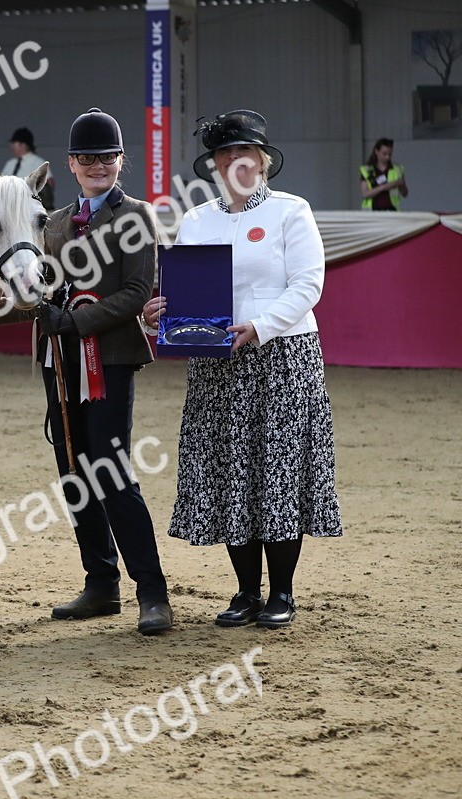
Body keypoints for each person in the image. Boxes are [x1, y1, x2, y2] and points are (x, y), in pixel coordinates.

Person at [144, 109, 343, 629]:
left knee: (277, 471)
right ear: (213, 164)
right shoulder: (195, 220)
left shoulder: (290, 211)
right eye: (225, 153)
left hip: (282, 359)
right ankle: (244, 592)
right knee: (229, 471)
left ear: (263, 162)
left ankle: (281, 593)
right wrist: (158, 315)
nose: (236, 160)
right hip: (217, 364)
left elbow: (309, 286)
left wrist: (260, 325)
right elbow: (183, 297)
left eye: (245, 152)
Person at [33, 108, 173, 635]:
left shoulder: (136, 216)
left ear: (120, 162)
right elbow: (42, 287)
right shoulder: (51, 224)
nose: (97, 166)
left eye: (106, 157)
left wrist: (73, 320)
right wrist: (40, 309)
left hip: (109, 359)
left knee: (110, 473)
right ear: (72, 165)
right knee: (73, 475)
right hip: (60, 366)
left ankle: (152, 592)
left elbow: (138, 292)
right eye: (87, 158)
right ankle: (100, 583)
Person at [1, 127, 55, 209]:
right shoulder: (10, 164)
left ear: (23, 144)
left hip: (30, 208)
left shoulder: (37, 162)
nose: (11, 146)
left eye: (13, 143)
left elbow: (49, 184)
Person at [359, 138, 408, 211]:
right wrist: (384, 187)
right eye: (384, 154)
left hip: (392, 210)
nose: (387, 157)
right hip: (372, 212)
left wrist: (401, 184)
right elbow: (365, 194)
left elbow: (405, 194)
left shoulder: (397, 170)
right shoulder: (367, 170)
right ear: (376, 151)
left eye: (390, 154)